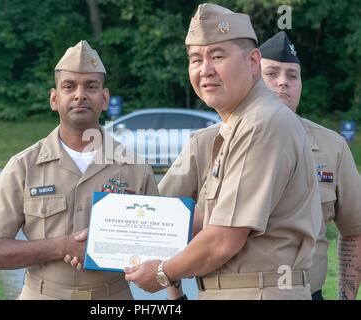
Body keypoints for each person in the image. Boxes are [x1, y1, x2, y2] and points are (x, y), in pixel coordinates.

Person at [124, 3, 322, 300]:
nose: (205, 70)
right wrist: (116, 225)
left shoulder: (261, 123)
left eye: (218, 56)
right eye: (195, 59)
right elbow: (206, 219)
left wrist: (163, 272)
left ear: (253, 61)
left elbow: (224, 240)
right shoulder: (239, 125)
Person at [0, 40, 158, 300]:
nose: (80, 95)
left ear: (104, 98)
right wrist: (61, 246)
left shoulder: (136, 168)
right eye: (69, 86)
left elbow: (160, 247)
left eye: (91, 86)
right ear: (54, 98)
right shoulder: (23, 166)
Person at [259, 31, 361, 300]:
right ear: (251, 78)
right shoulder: (214, 142)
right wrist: (176, 297)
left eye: (292, 76)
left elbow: (355, 229)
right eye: (271, 73)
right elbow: (175, 220)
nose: (283, 82)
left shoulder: (332, 147)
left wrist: (345, 297)